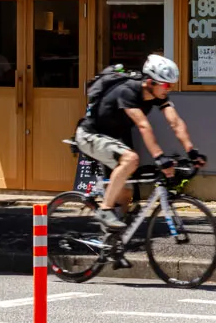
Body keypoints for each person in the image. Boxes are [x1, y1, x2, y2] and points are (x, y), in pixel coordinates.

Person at [74, 54, 206, 233]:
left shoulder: (157, 94)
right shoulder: (128, 91)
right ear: (151, 82)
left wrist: (192, 151)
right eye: (166, 85)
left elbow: (175, 122)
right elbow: (143, 126)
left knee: (126, 194)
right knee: (130, 159)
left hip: (112, 139)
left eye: (171, 85)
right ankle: (105, 210)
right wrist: (159, 157)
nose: (169, 89)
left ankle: (113, 245)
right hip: (90, 135)